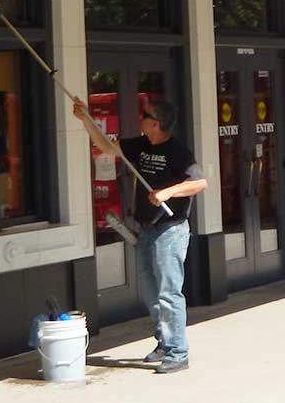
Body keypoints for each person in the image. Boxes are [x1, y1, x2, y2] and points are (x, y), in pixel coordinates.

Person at [73, 96, 206, 374]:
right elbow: (105, 145)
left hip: (170, 231)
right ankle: (164, 342)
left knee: (169, 292)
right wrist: (85, 119)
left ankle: (178, 352)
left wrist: (168, 192)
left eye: (145, 115)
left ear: (155, 123)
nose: (140, 118)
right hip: (146, 228)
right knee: (150, 292)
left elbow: (199, 182)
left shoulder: (178, 151)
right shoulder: (142, 144)